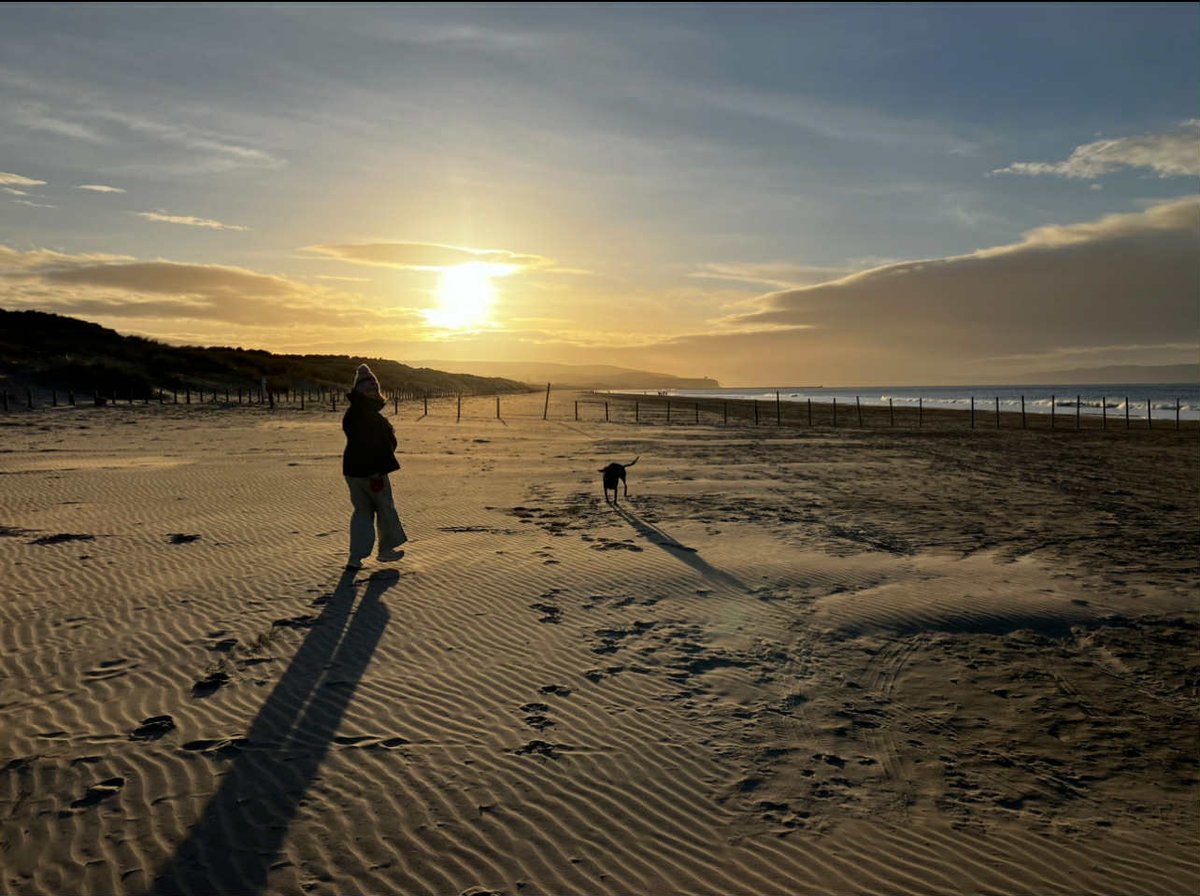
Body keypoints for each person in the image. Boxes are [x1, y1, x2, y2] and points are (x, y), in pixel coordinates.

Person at [341, 363, 407, 569]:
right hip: (371, 471)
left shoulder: (354, 413)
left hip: (353, 470)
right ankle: (386, 550)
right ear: (359, 391)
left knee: (362, 511)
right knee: (384, 508)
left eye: (374, 389)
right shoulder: (366, 415)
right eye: (367, 389)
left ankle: (356, 557)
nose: (372, 393)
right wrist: (376, 472)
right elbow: (370, 446)